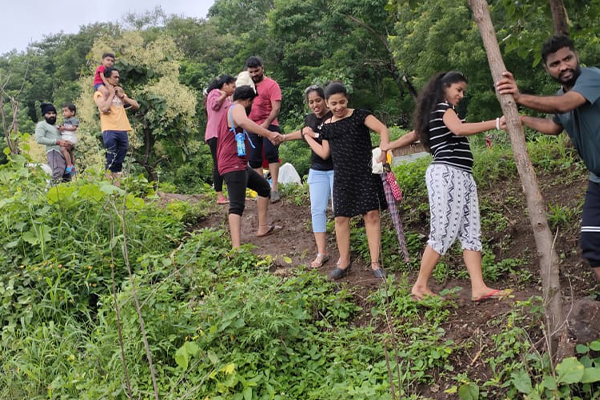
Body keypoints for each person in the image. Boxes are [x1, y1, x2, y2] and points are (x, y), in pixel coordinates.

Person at [383, 71, 505, 301]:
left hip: (463, 175)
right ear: (444, 87)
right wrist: (496, 123)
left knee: (471, 231)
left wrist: (388, 147)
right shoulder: (443, 109)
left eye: (463, 91)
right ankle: (420, 286)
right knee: (442, 231)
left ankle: (478, 287)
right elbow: (458, 130)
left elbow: (411, 136)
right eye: (458, 90)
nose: (461, 95)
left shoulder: (433, 114)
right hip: (448, 174)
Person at [496, 35, 600, 282]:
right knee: (592, 245)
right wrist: (521, 120)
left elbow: (564, 105)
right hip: (597, 180)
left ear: (576, 57)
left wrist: (519, 97)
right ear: (547, 69)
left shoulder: (593, 78)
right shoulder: (559, 95)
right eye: (555, 64)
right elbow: (554, 126)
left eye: (567, 59)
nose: (563, 66)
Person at [303, 82, 390, 280]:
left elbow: (383, 130)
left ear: (347, 99)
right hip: (342, 177)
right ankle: (344, 261)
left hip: (365, 173)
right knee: (341, 218)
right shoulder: (327, 126)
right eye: (334, 104)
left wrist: (384, 150)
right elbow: (324, 153)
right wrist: (308, 137)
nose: (338, 107)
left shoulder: (360, 115)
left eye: (342, 102)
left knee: (371, 215)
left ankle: (375, 263)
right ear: (327, 103)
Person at [217, 85, 284, 248]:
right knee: (236, 205)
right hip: (232, 164)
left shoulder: (228, 110)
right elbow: (243, 121)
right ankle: (236, 248)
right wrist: (269, 134)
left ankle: (263, 227)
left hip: (239, 164)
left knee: (263, 188)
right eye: (251, 103)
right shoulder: (236, 107)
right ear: (248, 101)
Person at [281, 85, 334, 269]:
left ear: (325, 100)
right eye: (311, 102)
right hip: (317, 169)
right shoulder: (310, 119)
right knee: (317, 210)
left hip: (336, 168)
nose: (315, 105)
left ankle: (345, 253)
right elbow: (304, 133)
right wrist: (284, 137)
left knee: (340, 211)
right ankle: (322, 252)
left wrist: (312, 135)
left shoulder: (333, 116)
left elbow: (314, 136)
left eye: (318, 100)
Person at [245, 56, 283, 203]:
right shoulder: (246, 86)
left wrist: (266, 123)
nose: (254, 74)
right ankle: (262, 189)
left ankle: (274, 188)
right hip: (251, 126)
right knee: (254, 158)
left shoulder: (272, 85)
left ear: (262, 68)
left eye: (257, 71)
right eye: (251, 72)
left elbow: (276, 108)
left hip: (270, 123)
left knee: (271, 153)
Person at [93, 67, 139, 183]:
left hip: (122, 129)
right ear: (107, 78)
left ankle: (117, 186)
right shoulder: (99, 93)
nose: (117, 79)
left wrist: (122, 96)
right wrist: (111, 94)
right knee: (111, 157)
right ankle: (108, 184)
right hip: (109, 129)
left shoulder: (120, 93)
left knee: (120, 160)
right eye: (115, 77)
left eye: (118, 77)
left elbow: (136, 105)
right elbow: (104, 108)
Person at [205, 75, 236, 205]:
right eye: (233, 86)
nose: (234, 89)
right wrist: (223, 95)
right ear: (225, 85)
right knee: (218, 163)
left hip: (225, 135)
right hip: (215, 134)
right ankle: (219, 195)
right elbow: (215, 105)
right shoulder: (214, 93)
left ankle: (232, 193)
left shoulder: (228, 99)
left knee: (229, 163)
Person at [34, 102, 72, 182]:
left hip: (64, 153)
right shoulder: (42, 125)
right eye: (49, 113)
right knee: (57, 174)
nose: (52, 115)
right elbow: (39, 139)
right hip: (54, 151)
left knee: (66, 178)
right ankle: (51, 189)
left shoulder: (56, 126)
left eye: (53, 113)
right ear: (44, 115)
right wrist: (57, 142)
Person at [58, 103, 79, 175]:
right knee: (70, 152)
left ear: (72, 112)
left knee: (63, 149)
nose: (64, 113)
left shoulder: (74, 120)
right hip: (66, 137)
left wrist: (64, 128)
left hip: (70, 138)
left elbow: (74, 128)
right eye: (63, 111)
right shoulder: (65, 121)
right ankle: (73, 167)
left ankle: (69, 165)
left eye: (66, 111)